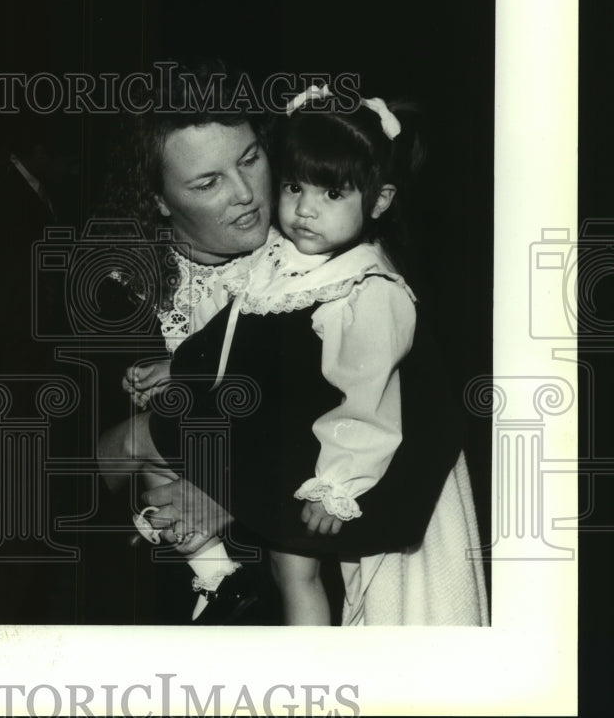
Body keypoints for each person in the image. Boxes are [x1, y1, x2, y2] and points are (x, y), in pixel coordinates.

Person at [100, 62, 488, 625]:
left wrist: (235, 504)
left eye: (251, 160)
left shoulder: (343, 270)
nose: (246, 196)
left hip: (331, 572)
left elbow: (409, 477)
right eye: (208, 183)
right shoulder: (118, 292)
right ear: (158, 198)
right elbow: (85, 473)